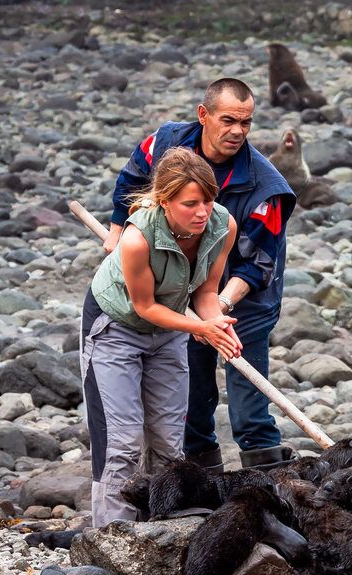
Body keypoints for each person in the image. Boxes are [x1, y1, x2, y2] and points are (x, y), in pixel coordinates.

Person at [107, 78, 297, 472]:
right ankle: (201, 480)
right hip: (182, 287)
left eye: (246, 123)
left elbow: (258, 264)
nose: (237, 132)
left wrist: (219, 313)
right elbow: (130, 179)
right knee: (190, 395)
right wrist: (117, 232)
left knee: (248, 402)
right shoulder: (162, 145)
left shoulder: (267, 190)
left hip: (245, 298)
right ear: (203, 115)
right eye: (229, 120)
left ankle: (270, 481)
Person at [82, 148, 240, 527]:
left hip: (169, 329)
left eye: (208, 200)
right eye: (190, 204)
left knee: (169, 442)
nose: (203, 212)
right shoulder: (138, 239)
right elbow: (145, 307)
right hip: (116, 327)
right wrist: (200, 329)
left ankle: (163, 529)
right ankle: (113, 536)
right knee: (122, 441)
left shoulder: (223, 226)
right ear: (164, 202)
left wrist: (218, 325)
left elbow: (204, 293)